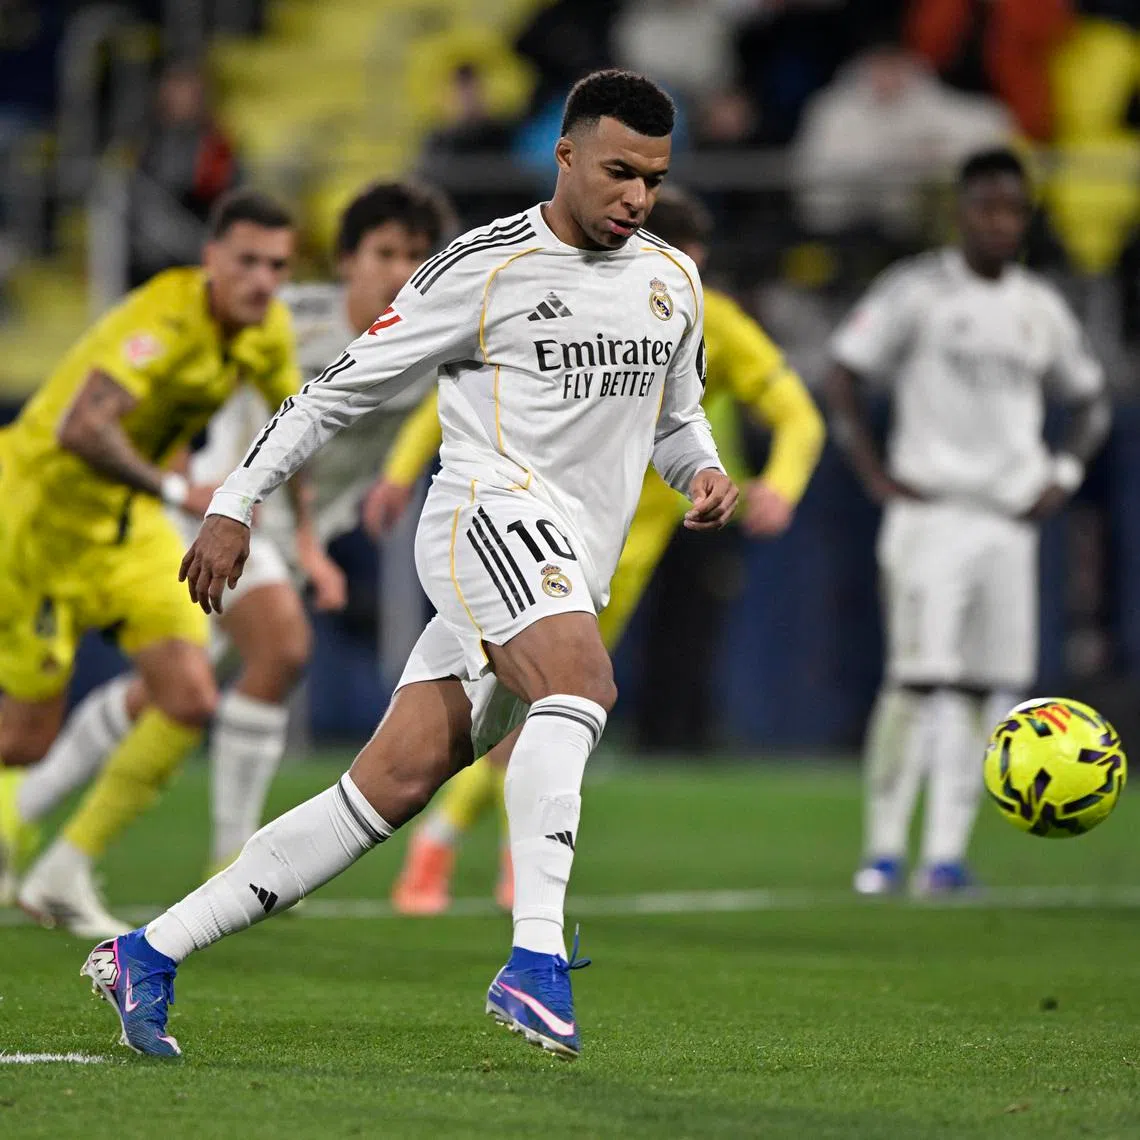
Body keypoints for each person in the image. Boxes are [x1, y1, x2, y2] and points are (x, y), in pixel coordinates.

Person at [80, 68, 737, 1062]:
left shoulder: (670, 281)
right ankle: (536, 960)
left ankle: (149, 952)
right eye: (617, 173)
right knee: (583, 683)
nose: (636, 198)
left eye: (651, 178)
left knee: (385, 787)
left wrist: (705, 473)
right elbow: (332, 393)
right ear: (564, 157)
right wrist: (233, 503)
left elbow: (676, 420)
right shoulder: (479, 269)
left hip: (567, 561)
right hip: (486, 521)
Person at [1, 181, 455, 923]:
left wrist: (314, 544)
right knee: (280, 650)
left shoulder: (432, 341)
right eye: (383, 253)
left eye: (415, 256)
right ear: (345, 261)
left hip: (266, 529)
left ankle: (39, 839)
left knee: (170, 696)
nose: (398, 271)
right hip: (211, 514)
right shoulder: (283, 319)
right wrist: (211, 497)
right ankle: (234, 859)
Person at [379, 185, 825, 915]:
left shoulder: (710, 318)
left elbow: (796, 414)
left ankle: (474, 856)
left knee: (537, 710)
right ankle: (451, 851)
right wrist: (401, 474)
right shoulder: (578, 299)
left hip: (635, 547)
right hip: (537, 532)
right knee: (524, 703)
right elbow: (463, 390)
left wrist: (782, 481)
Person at [0, 190, 302, 936]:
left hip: (127, 528)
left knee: (189, 696)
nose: (262, 280)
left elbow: (299, 414)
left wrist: (304, 528)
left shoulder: (266, 332)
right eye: (247, 262)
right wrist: (181, 488)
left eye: (278, 266)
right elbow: (81, 427)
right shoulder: (159, 322)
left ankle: (64, 870)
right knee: (25, 739)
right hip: (38, 519)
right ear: (211, 261)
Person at [826, 147, 1111, 896]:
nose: (999, 221)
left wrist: (1064, 473)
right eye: (986, 206)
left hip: (1009, 523)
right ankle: (882, 854)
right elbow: (843, 372)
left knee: (994, 690)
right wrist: (873, 473)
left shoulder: (1038, 306)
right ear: (961, 212)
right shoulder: (918, 290)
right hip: (931, 512)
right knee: (918, 683)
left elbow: (1091, 399)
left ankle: (944, 857)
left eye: (1012, 208)